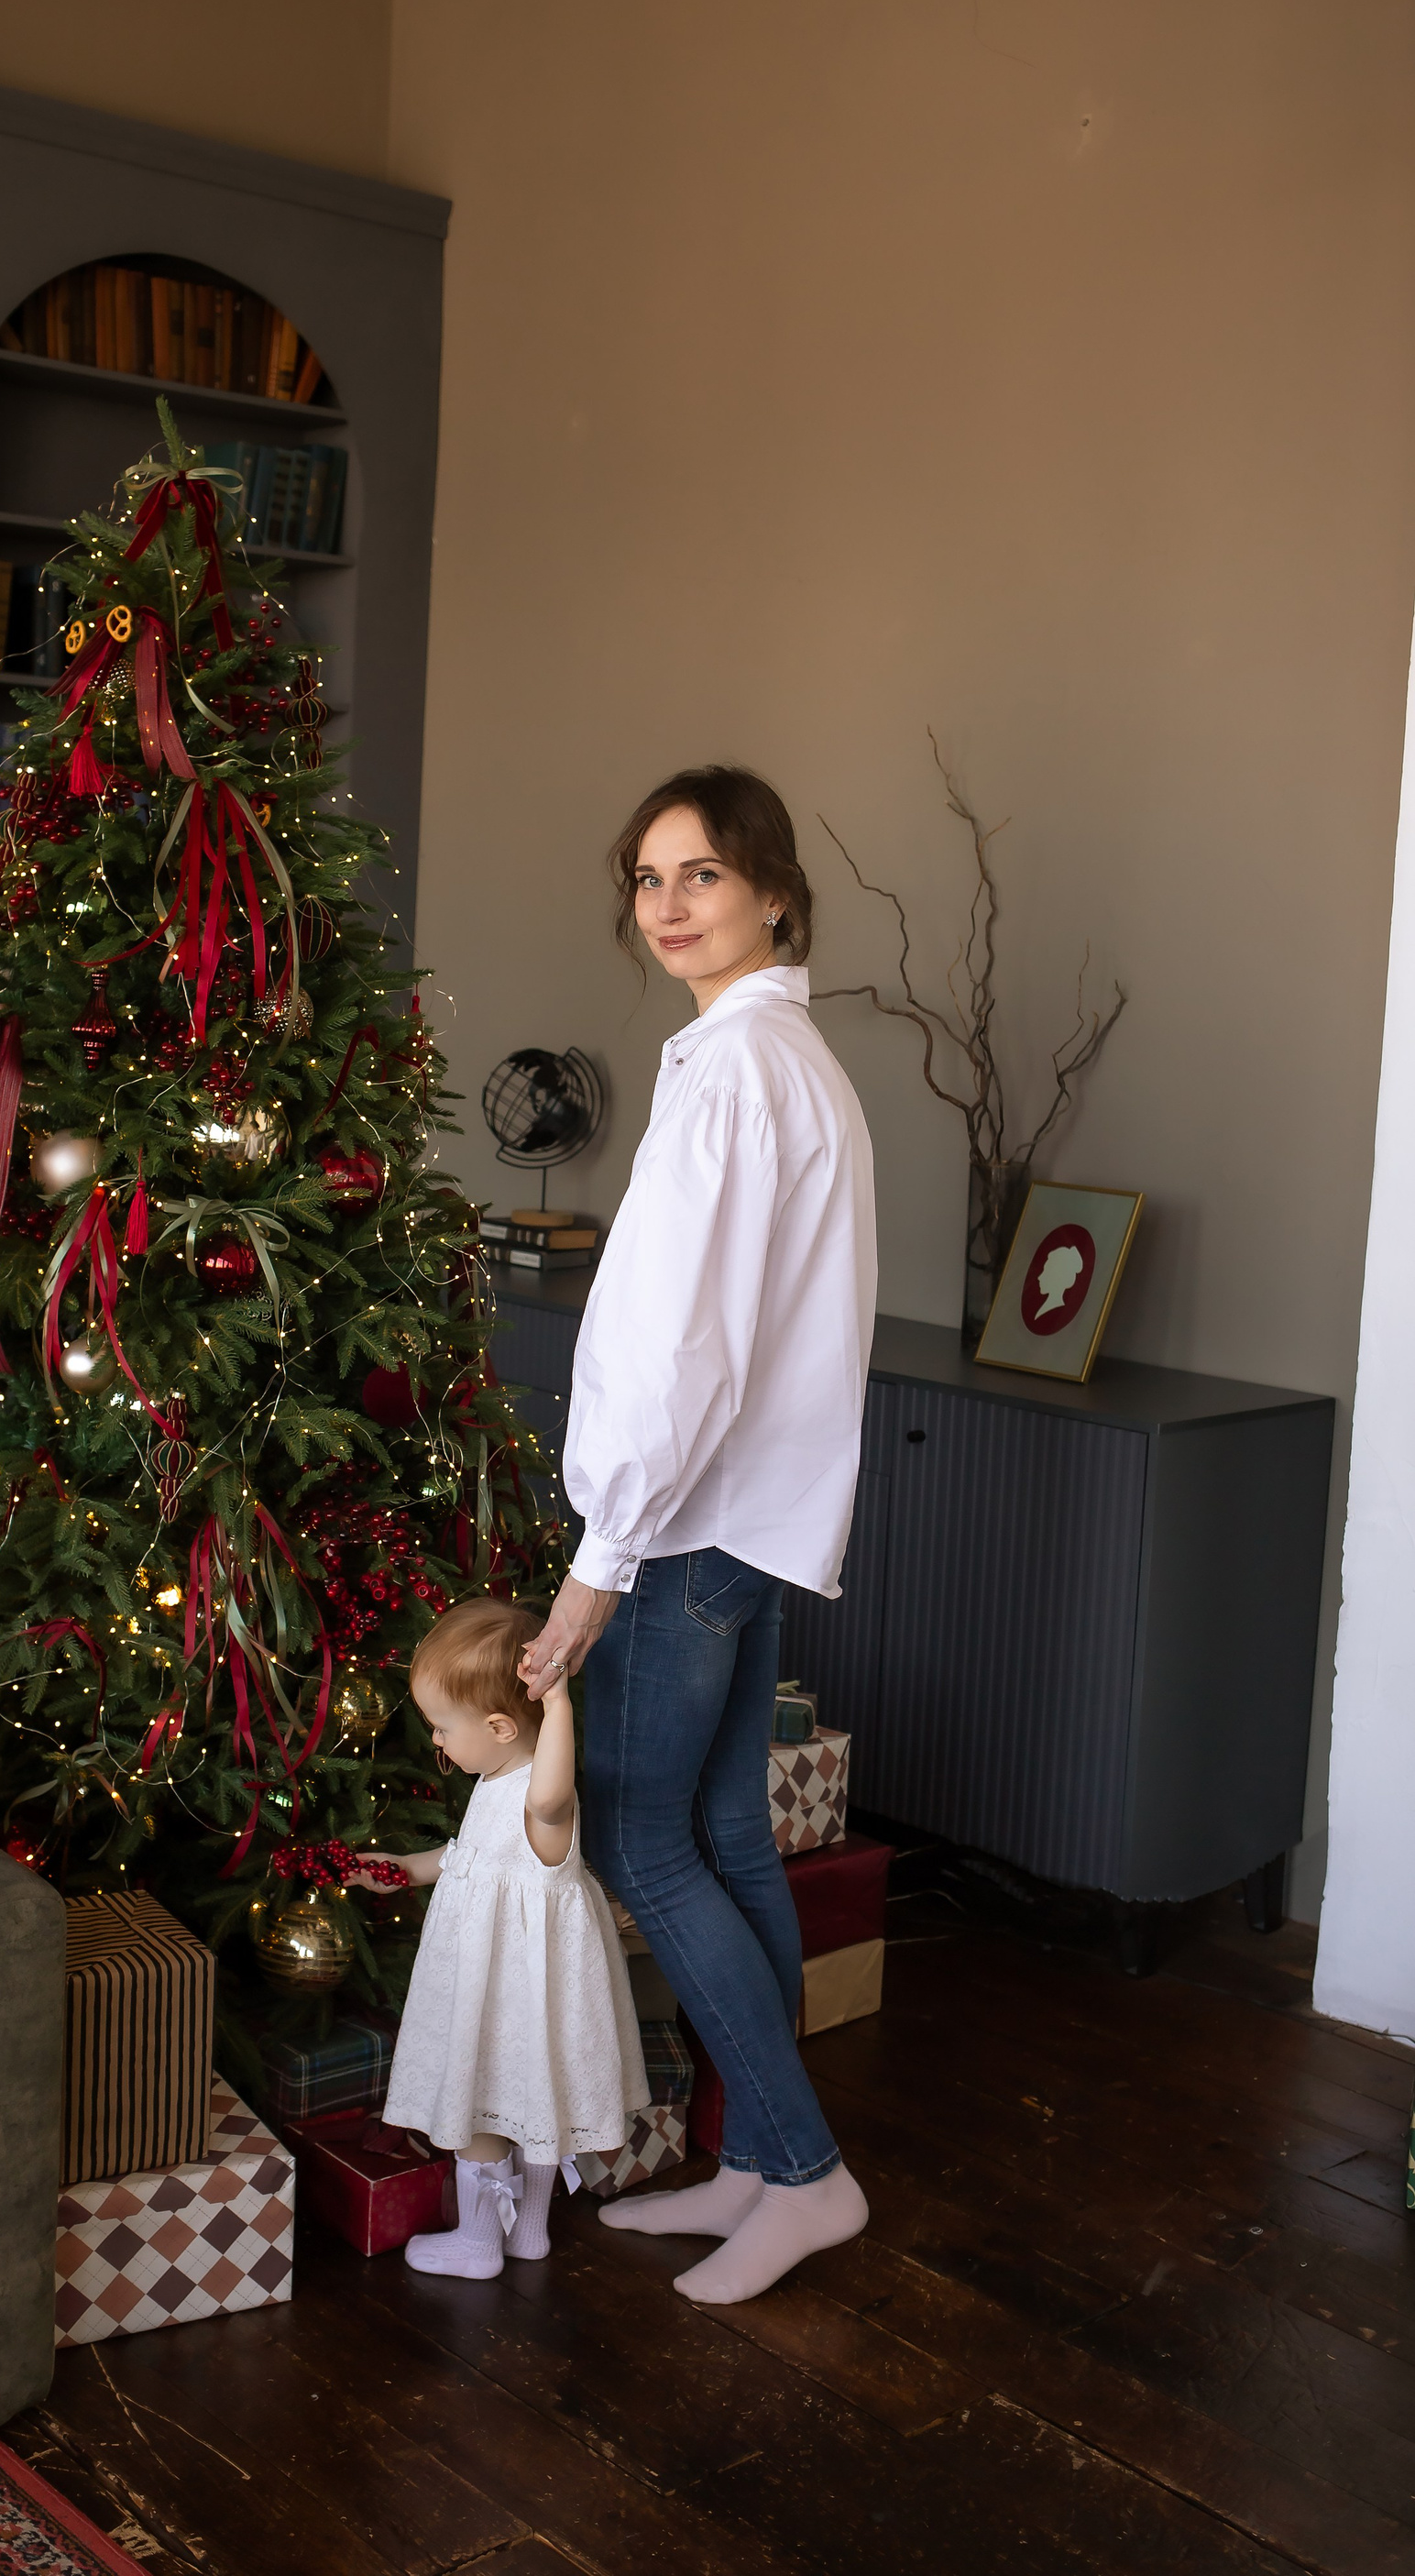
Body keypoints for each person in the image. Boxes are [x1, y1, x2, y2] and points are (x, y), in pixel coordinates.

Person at [516, 765, 877, 2305]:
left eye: (703, 875)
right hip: (748, 1516)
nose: (667, 906)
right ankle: (750, 2160)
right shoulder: (784, 1055)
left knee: (641, 1839)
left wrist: (602, 1558)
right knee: (727, 1834)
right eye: (649, 878)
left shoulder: (738, 1074)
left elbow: (687, 1349)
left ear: (774, 893)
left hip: (685, 1525)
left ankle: (802, 2172)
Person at [356, 1596, 649, 2279]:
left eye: (441, 1728)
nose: (435, 1742)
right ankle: (529, 2233)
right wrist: (405, 1870)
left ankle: (478, 2242)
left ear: (498, 1726)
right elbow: (469, 1858)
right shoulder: (496, 1781)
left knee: (484, 2104)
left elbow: (549, 1798)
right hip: (509, 1985)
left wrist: (559, 1704)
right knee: (529, 2107)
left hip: (509, 1995)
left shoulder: (543, 1801)